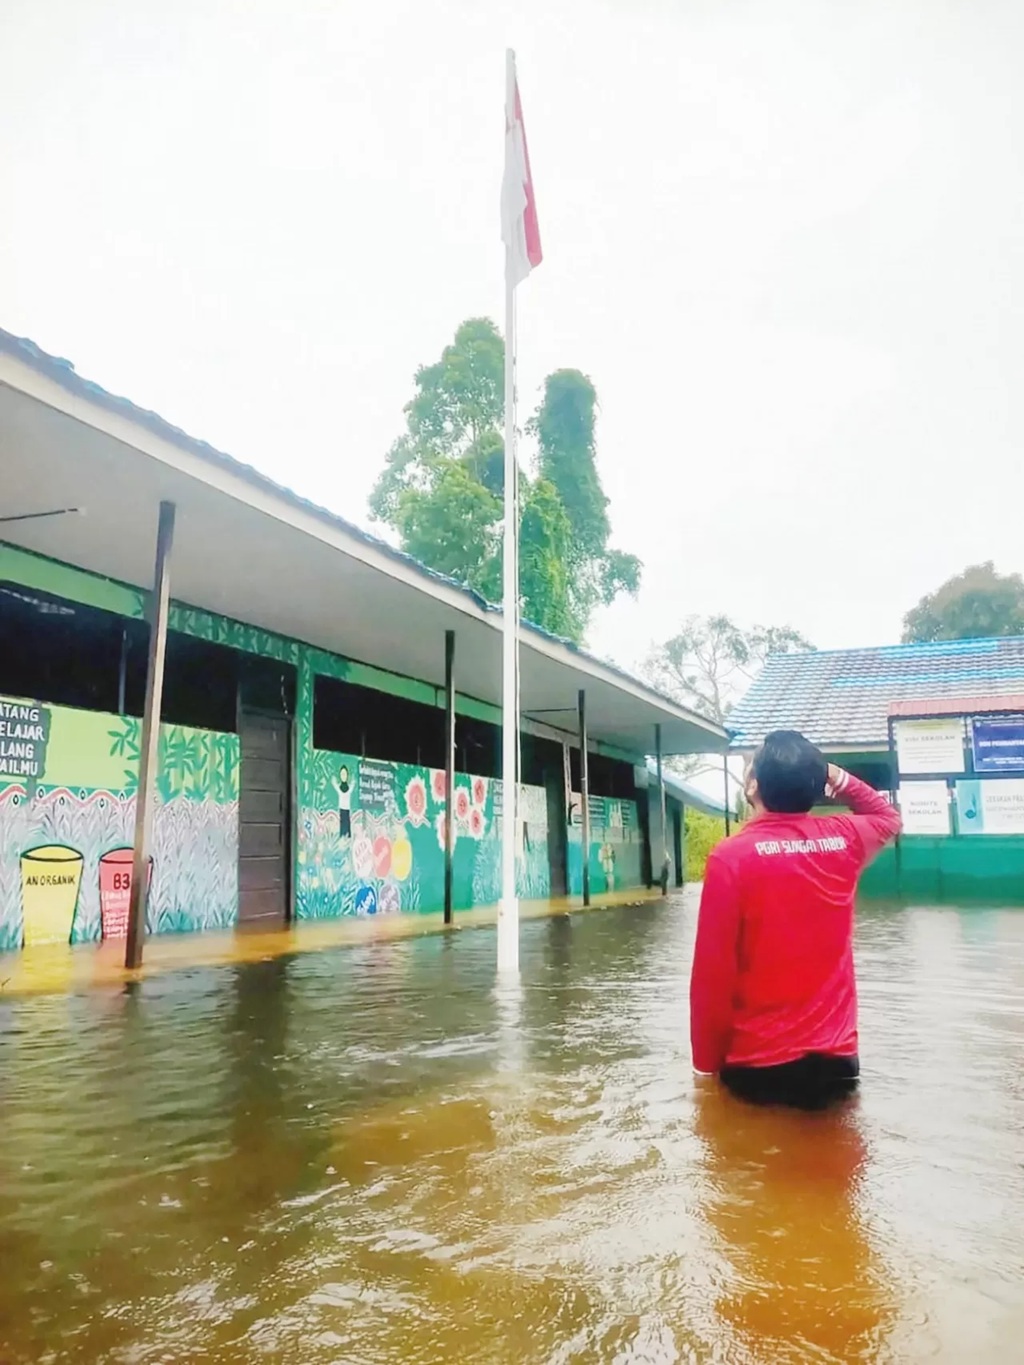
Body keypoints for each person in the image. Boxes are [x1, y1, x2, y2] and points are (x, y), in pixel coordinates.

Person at [689, 730, 901, 1110]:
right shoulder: (844, 838)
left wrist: (704, 1070)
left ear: (753, 786)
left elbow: (713, 975)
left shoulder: (731, 858)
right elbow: (886, 815)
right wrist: (834, 775)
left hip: (758, 1066)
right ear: (817, 785)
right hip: (838, 1064)